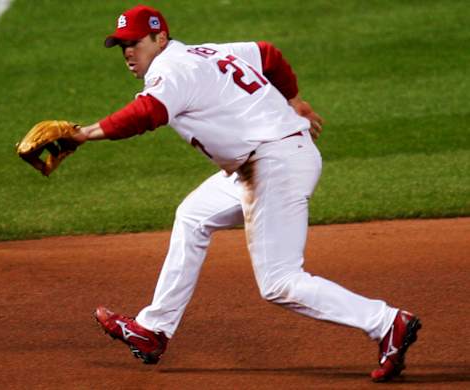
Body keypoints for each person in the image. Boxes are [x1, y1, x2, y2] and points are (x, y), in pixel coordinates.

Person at [71, 5, 421, 382]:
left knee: (280, 282)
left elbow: (146, 114)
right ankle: (154, 330)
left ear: (160, 38)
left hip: (274, 164)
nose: (127, 52)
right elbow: (268, 54)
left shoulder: (170, 68)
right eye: (121, 45)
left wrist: (84, 133)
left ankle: (385, 322)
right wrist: (294, 101)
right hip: (268, 160)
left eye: (134, 43)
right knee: (193, 215)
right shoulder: (204, 52)